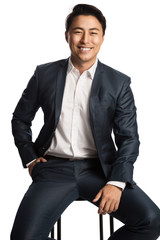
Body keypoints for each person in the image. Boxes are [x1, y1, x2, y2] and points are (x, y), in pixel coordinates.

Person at [10, 4, 160, 240]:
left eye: (93, 32)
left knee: (151, 221)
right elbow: (20, 119)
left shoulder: (118, 83)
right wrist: (29, 157)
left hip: (101, 170)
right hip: (53, 170)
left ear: (102, 37)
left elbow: (129, 139)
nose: (85, 39)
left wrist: (117, 181)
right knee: (23, 237)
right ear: (67, 35)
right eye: (78, 31)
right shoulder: (44, 74)